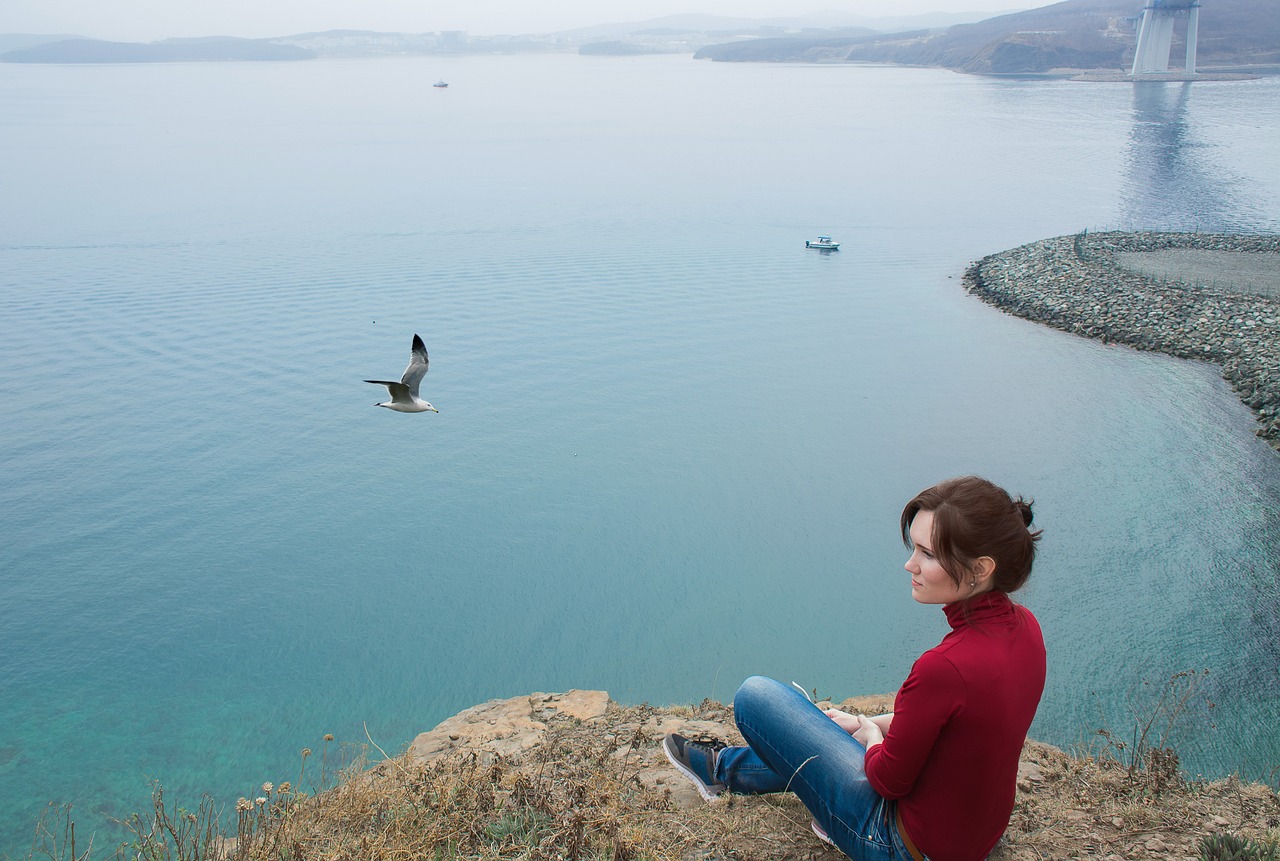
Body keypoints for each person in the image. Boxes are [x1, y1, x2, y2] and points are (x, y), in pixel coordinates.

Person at [662, 476, 1046, 861]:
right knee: (823, 731)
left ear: (980, 569)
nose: (909, 564)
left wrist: (867, 734)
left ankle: (733, 776)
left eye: (927, 554)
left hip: (900, 845)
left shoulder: (944, 667)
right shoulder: (1027, 629)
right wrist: (873, 723)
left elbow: (886, 779)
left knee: (756, 696)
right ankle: (723, 770)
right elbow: (954, 728)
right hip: (972, 837)